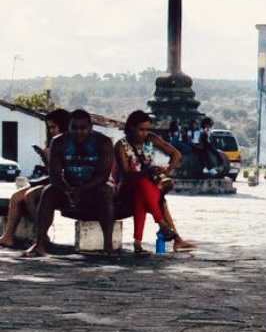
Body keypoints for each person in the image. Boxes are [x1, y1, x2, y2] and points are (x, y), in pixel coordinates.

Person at [23, 109, 116, 258]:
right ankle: (39, 244)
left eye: (83, 128)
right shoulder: (59, 142)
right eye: (74, 128)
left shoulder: (103, 142)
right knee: (48, 192)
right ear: (69, 127)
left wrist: (81, 190)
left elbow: (103, 176)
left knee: (105, 191)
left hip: (95, 188)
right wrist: (67, 190)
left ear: (90, 128)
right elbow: (54, 175)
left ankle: (108, 246)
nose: (79, 132)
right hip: (69, 188)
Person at [114, 110, 193, 256]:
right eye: (141, 129)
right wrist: (147, 172)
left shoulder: (151, 139)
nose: (145, 133)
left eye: (147, 129)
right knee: (145, 186)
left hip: (144, 188)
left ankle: (138, 244)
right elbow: (126, 174)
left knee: (141, 196)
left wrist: (165, 172)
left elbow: (176, 154)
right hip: (126, 188)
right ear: (131, 128)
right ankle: (164, 226)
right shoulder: (121, 145)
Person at [0, 109, 70, 249]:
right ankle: (8, 236)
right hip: (51, 180)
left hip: (63, 183)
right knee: (15, 197)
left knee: (30, 196)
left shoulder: (70, 143)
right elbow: (51, 171)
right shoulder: (52, 142)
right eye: (49, 128)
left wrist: (50, 160)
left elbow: (62, 173)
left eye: (54, 127)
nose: (51, 131)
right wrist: (45, 158)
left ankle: (43, 235)